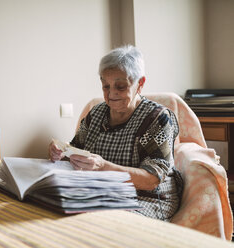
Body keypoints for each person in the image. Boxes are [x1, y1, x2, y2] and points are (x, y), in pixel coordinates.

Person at [49, 45, 183, 221]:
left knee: (103, 223)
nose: (112, 93)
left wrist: (103, 167)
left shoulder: (157, 118)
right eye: (105, 86)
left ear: (140, 84)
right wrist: (60, 152)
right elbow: (74, 150)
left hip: (147, 198)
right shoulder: (96, 113)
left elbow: (152, 180)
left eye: (120, 86)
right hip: (104, 193)